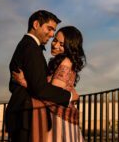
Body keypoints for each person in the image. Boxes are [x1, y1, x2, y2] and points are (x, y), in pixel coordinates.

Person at [5, 10, 79, 142]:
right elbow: (40, 88)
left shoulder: (27, 46)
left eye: (53, 31)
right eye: (49, 29)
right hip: (25, 115)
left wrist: (26, 83)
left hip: (24, 114)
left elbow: (34, 85)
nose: (51, 35)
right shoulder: (31, 48)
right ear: (36, 24)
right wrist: (70, 96)